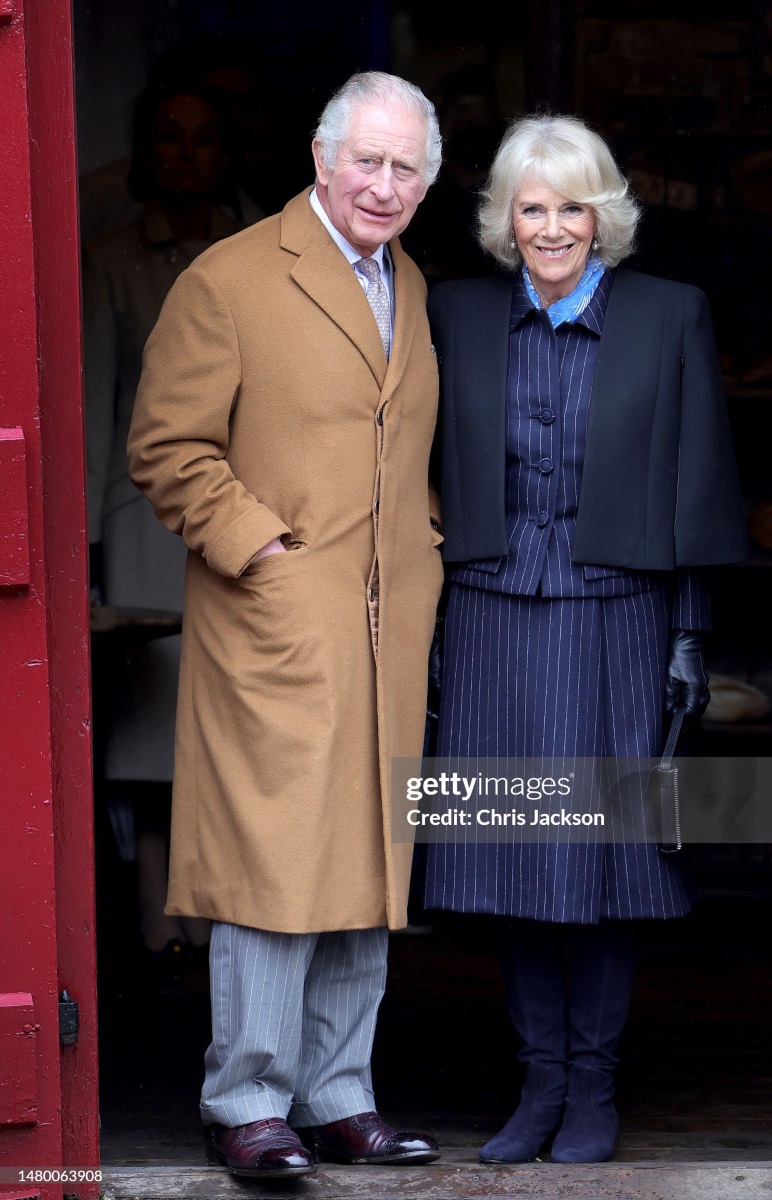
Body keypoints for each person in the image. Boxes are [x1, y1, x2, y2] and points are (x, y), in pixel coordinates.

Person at [127, 72, 445, 1179]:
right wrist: (260, 550)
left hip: (384, 626)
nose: (385, 184)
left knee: (364, 855)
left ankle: (338, 1092)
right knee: (270, 862)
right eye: (368, 160)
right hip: (274, 621)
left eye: (407, 168)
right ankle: (246, 1099)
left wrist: (427, 545)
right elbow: (167, 448)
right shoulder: (230, 278)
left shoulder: (404, 278)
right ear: (321, 158)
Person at [423, 115, 748, 1165]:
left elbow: (695, 483)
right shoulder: (451, 315)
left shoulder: (668, 315)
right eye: (532, 207)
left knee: (603, 861)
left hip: (617, 613)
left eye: (572, 207)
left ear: (604, 217)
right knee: (511, 854)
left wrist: (689, 636)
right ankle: (538, 1086)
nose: (552, 227)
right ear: (502, 220)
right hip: (484, 610)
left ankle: (595, 1090)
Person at [84, 79, 244, 967]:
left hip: (243, 513)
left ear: (226, 152)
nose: (187, 153)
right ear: (146, 153)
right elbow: (93, 408)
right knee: (152, 733)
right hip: (143, 518)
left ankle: (219, 917)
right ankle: (157, 918)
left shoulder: (261, 251)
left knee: (227, 725)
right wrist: (84, 549)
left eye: (205, 137)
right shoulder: (108, 260)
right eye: (170, 138)